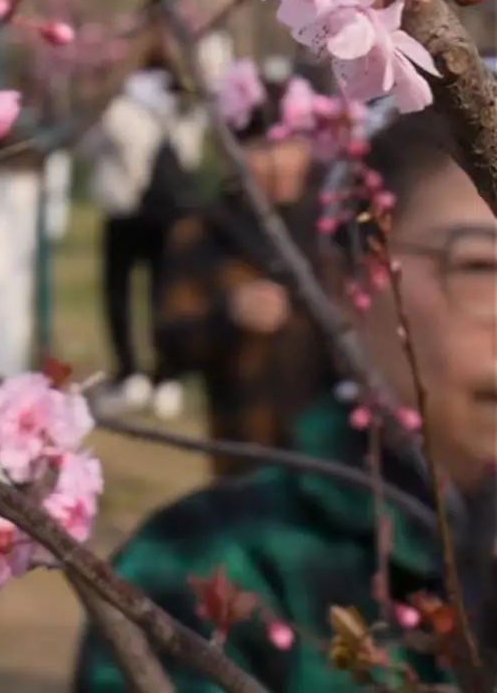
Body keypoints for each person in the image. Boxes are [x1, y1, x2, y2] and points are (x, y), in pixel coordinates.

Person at [72, 104, 497, 692]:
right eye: (482, 265)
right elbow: (170, 337)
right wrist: (229, 315)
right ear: (348, 282)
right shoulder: (215, 570)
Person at [151, 67, 337, 472]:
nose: (277, 162)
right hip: (246, 450)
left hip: (339, 452)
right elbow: (169, 344)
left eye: (289, 144)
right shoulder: (201, 235)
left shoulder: (337, 229)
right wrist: (229, 315)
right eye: (260, 148)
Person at [87, 62, 206, 422]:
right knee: (161, 293)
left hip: (125, 210)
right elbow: (191, 155)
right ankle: (164, 377)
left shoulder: (118, 106)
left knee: (119, 294)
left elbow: (91, 145)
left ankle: (131, 373)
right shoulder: (183, 106)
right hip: (166, 213)